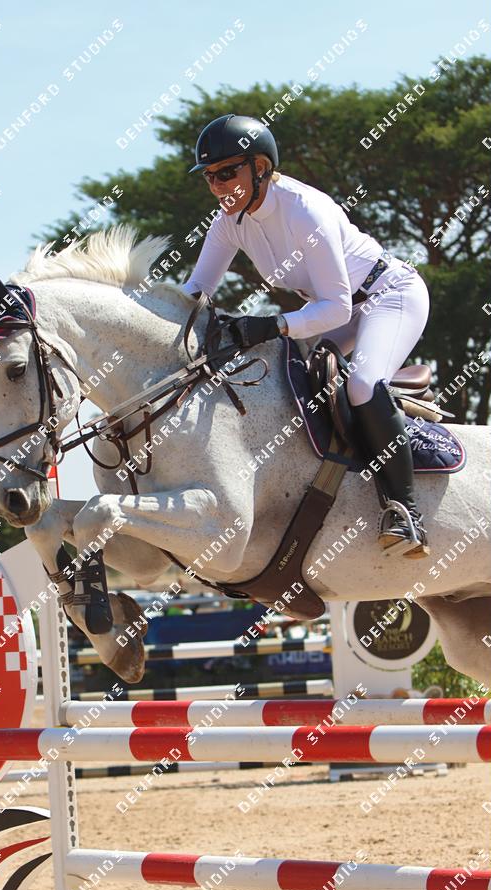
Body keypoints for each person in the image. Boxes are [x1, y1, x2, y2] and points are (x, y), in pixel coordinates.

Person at [182, 114, 431, 558]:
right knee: (276, 373)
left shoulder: (304, 210)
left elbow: (335, 308)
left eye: (227, 173)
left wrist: (273, 323)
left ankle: (406, 513)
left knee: (361, 384)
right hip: (334, 308)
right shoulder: (228, 222)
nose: (218, 187)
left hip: (388, 297)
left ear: (260, 168)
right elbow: (195, 293)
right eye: (209, 177)